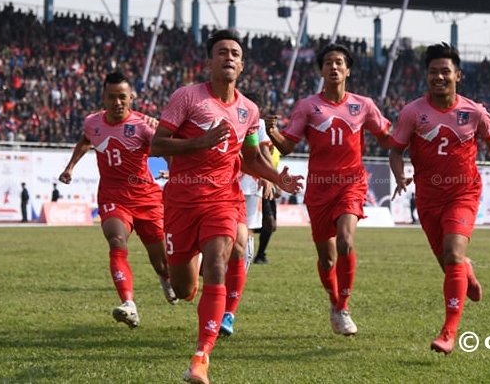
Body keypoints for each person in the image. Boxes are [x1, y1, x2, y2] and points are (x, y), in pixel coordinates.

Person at [151, 29, 302, 384]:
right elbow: (157, 145)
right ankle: (195, 279)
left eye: (235, 52)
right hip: (181, 201)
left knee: (219, 262)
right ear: (209, 61)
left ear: (243, 64)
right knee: (185, 288)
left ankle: (201, 356)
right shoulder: (186, 98)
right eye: (222, 52)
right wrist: (199, 142)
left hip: (223, 198)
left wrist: (275, 176)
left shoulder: (249, 110)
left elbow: (250, 157)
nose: (229, 57)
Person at [388, 42, 490, 355]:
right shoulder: (413, 112)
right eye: (432, 72)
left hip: (463, 193)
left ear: (458, 75)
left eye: (445, 71)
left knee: (451, 253)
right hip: (428, 198)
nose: (438, 76)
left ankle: (448, 333)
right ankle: (466, 271)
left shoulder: (474, 112)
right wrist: (399, 174)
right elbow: (395, 149)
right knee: (449, 262)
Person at [266, 43, 392, 337]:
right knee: (327, 258)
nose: (334, 67)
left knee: (346, 241)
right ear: (321, 70)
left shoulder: (364, 105)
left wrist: (412, 134)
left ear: (348, 70)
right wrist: (272, 130)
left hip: (352, 184)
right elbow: (287, 145)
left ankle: (344, 307)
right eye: (328, 63)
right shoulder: (308, 106)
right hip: (319, 189)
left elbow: (387, 137)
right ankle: (335, 303)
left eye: (339, 63)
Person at [58, 71, 176, 330]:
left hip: (147, 197)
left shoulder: (144, 125)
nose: (117, 102)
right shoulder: (93, 122)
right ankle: (129, 305)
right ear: (103, 97)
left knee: (161, 261)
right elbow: (86, 140)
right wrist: (70, 167)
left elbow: (167, 147)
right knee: (116, 240)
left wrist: (174, 171)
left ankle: (165, 279)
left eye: (122, 97)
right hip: (113, 196)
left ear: (131, 98)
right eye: (112, 97)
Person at [219, 109, 278, 338]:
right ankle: (221, 281)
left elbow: (262, 152)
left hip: (249, 188)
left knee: (244, 241)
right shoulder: (216, 114)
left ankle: (229, 310)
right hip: (220, 185)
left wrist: (269, 176)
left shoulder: (256, 122)